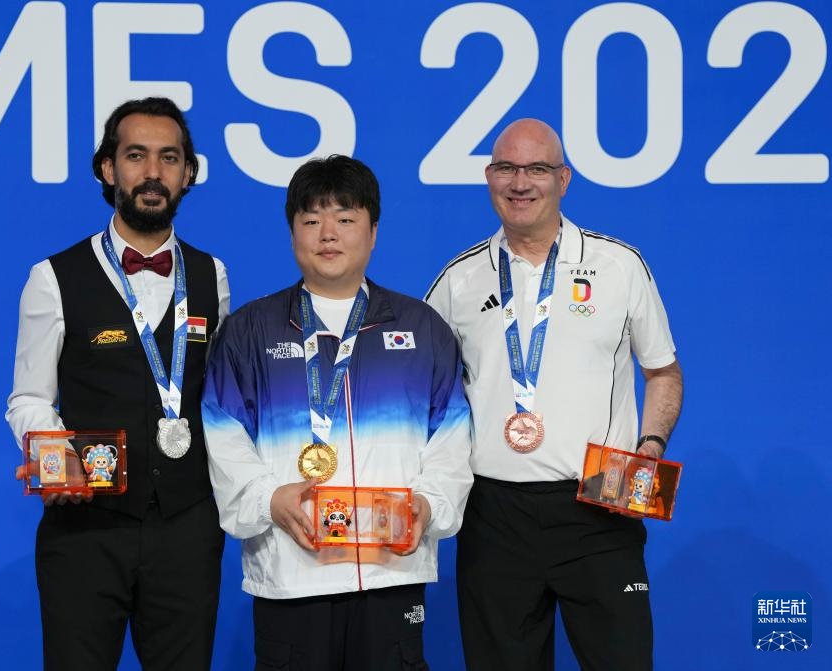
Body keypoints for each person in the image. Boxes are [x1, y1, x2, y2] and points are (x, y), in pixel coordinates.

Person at [425, 119, 683, 671]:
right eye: (506, 168)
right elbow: (423, 392)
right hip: (492, 515)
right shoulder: (457, 281)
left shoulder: (619, 267)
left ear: (563, 179)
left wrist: (651, 445)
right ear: (489, 177)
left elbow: (663, 372)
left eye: (537, 169)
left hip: (601, 500)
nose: (520, 183)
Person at [202, 155, 473, 670]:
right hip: (291, 571)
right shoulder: (249, 330)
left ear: (373, 232)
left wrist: (429, 504)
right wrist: (267, 498)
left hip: (393, 569)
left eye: (345, 218)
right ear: (292, 233)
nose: (328, 234)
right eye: (311, 220)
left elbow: (452, 435)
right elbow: (223, 430)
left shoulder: (422, 328)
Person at [6, 97, 229, 670]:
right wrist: (56, 456)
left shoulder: (213, 276)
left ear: (188, 174)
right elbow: (29, 397)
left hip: (187, 527)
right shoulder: (53, 277)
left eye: (169, 158)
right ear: (108, 169)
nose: (153, 172)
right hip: (86, 529)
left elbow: (219, 399)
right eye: (136, 156)